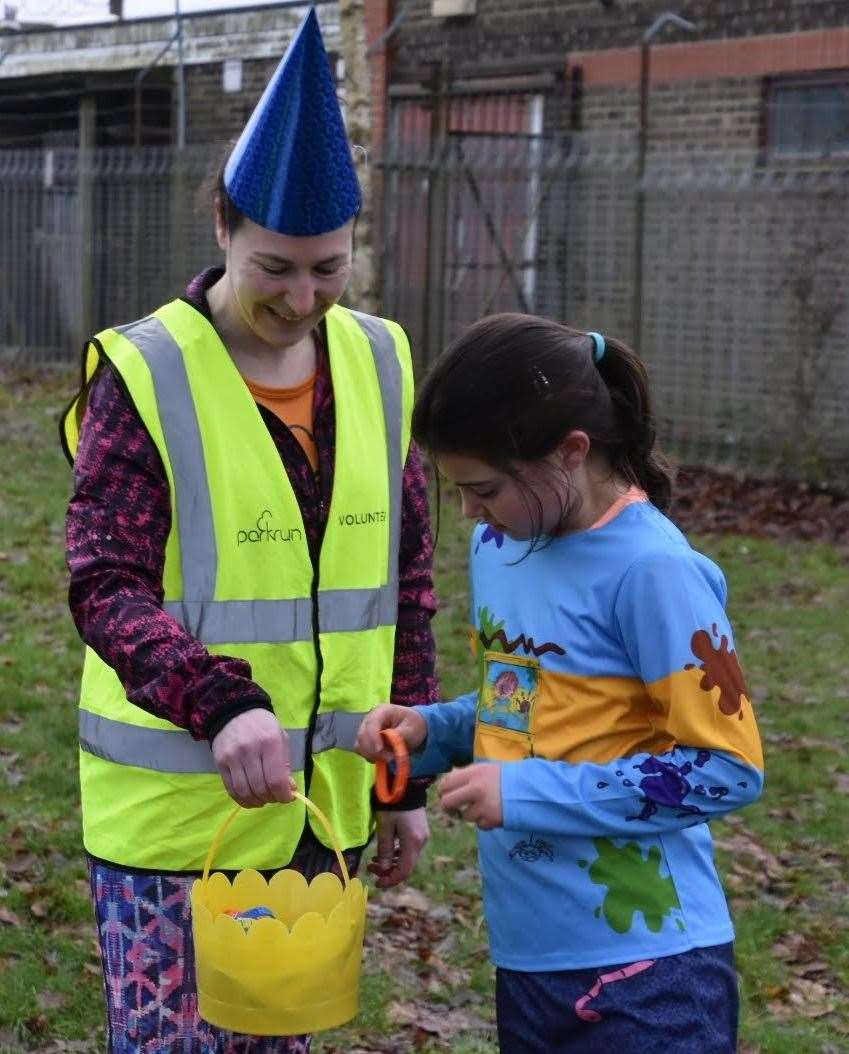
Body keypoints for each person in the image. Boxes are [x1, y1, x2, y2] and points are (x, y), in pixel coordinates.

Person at [60, 10, 436, 1053]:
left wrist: (405, 775)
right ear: (222, 227)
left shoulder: (380, 361)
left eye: (328, 267)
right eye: (276, 267)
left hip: (321, 815)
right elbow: (105, 581)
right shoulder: (150, 373)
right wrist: (219, 700)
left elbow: (405, 582)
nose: (302, 297)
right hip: (178, 824)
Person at [356, 314, 765, 1053]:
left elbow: (725, 768)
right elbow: (531, 703)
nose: (470, 513)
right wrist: (435, 731)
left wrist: (525, 794)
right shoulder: (502, 544)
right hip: (530, 956)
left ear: (569, 452)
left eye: (482, 488)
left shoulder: (653, 573)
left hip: (651, 969)